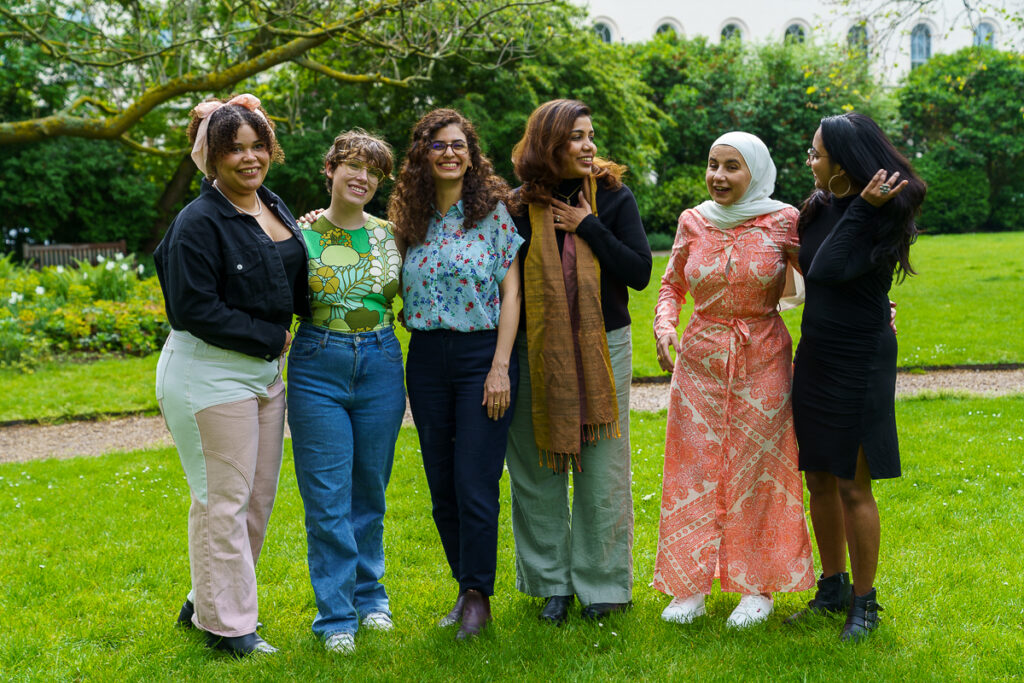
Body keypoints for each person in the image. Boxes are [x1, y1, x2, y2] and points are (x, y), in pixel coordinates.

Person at [154, 94, 309, 657]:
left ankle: (205, 602)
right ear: (212, 157)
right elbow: (193, 308)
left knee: (255, 499)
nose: (249, 158)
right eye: (235, 150)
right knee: (222, 499)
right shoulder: (198, 222)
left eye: (257, 146)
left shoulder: (274, 204)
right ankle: (230, 629)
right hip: (208, 374)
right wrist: (273, 336)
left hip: (264, 376)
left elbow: (291, 267)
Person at [651, 131, 815, 628]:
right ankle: (689, 584)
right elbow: (672, 283)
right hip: (699, 360)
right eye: (712, 164)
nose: (718, 176)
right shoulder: (693, 221)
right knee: (692, 467)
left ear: (756, 172)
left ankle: (757, 588)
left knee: (759, 472)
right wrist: (663, 325)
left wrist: (877, 310)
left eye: (732, 167)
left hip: (762, 355)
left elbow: (827, 276)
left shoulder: (784, 220)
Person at [505, 99, 652, 624]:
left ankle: (604, 584)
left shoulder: (612, 197)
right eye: (577, 137)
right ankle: (552, 584)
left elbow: (638, 272)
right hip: (535, 348)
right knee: (536, 466)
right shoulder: (518, 206)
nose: (589, 146)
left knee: (602, 466)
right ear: (549, 144)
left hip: (602, 346)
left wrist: (588, 226)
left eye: (591, 135)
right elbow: (506, 285)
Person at [387, 108, 523, 641]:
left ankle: (478, 596)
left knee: (474, 480)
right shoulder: (407, 222)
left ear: (472, 154)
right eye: (439, 145)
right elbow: (384, 276)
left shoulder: (493, 216)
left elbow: (511, 294)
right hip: (424, 359)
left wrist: (499, 368)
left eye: (458, 144)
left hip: (480, 357)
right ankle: (463, 589)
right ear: (423, 154)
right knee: (441, 484)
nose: (449, 153)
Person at [790, 112, 924, 641]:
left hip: (861, 355)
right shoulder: (818, 207)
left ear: (843, 164)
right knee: (818, 473)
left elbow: (827, 269)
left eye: (817, 153)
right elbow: (809, 269)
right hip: (818, 351)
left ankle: (865, 605)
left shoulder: (883, 214)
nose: (809, 160)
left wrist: (862, 206)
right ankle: (832, 588)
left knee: (853, 483)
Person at [286, 130, 404, 655]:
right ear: (330, 168)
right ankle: (335, 617)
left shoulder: (393, 235)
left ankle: (371, 598)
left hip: (380, 362)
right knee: (327, 498)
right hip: (317, 366)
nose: (363, 178)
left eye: (374, 172)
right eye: (354, 166)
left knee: (370, 491)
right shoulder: (298, 235)